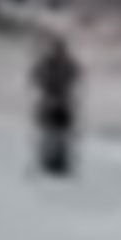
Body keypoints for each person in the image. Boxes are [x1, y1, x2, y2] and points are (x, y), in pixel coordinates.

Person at [33, 33, 81, 178]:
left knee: (59, 133)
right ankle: (51, 160)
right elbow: (37, 77)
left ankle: (57, 160)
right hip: (54, 101)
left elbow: (75, 76)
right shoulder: (51, 64)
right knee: (52, 133)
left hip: (59, 101)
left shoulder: (62, 64)